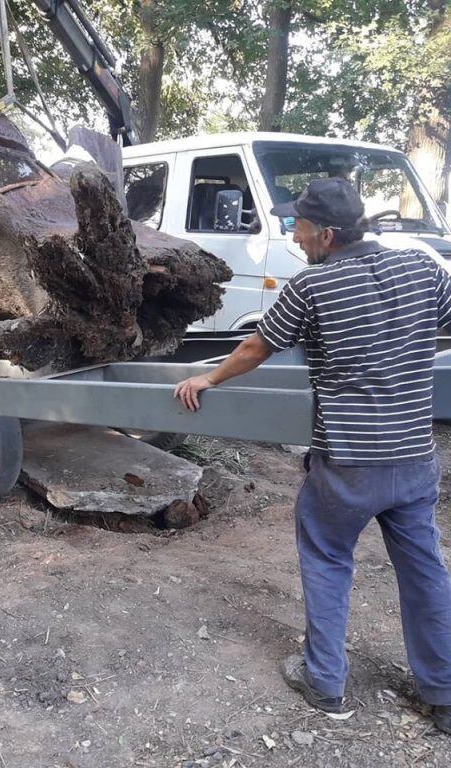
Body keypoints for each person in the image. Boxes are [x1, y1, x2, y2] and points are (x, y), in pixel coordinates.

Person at [174, 177, 451, 730]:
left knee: (327, 559)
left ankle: (325, 683)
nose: (292, 235)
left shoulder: (314, 286)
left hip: (347, 465)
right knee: (426, 572)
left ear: (325, 233)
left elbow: (257, 346)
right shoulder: (425, 271)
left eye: (297, 226)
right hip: (414, 460)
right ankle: (444, 696)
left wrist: (209, 378)